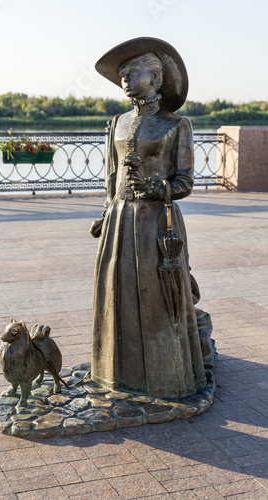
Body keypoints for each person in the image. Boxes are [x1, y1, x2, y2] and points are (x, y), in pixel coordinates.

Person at [90, 37, 216, 398]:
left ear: (157, 78)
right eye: (123, 75)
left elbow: (185, 182)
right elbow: (111, 178)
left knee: (159, 300)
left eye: (133, 72)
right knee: (118, 296)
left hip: (156, 226)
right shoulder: (116, 122)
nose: (126, 80)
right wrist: (105, 213)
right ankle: (120, 373)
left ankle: (165, 378)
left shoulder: (175, 125)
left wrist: (155, 186)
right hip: (118, 224)